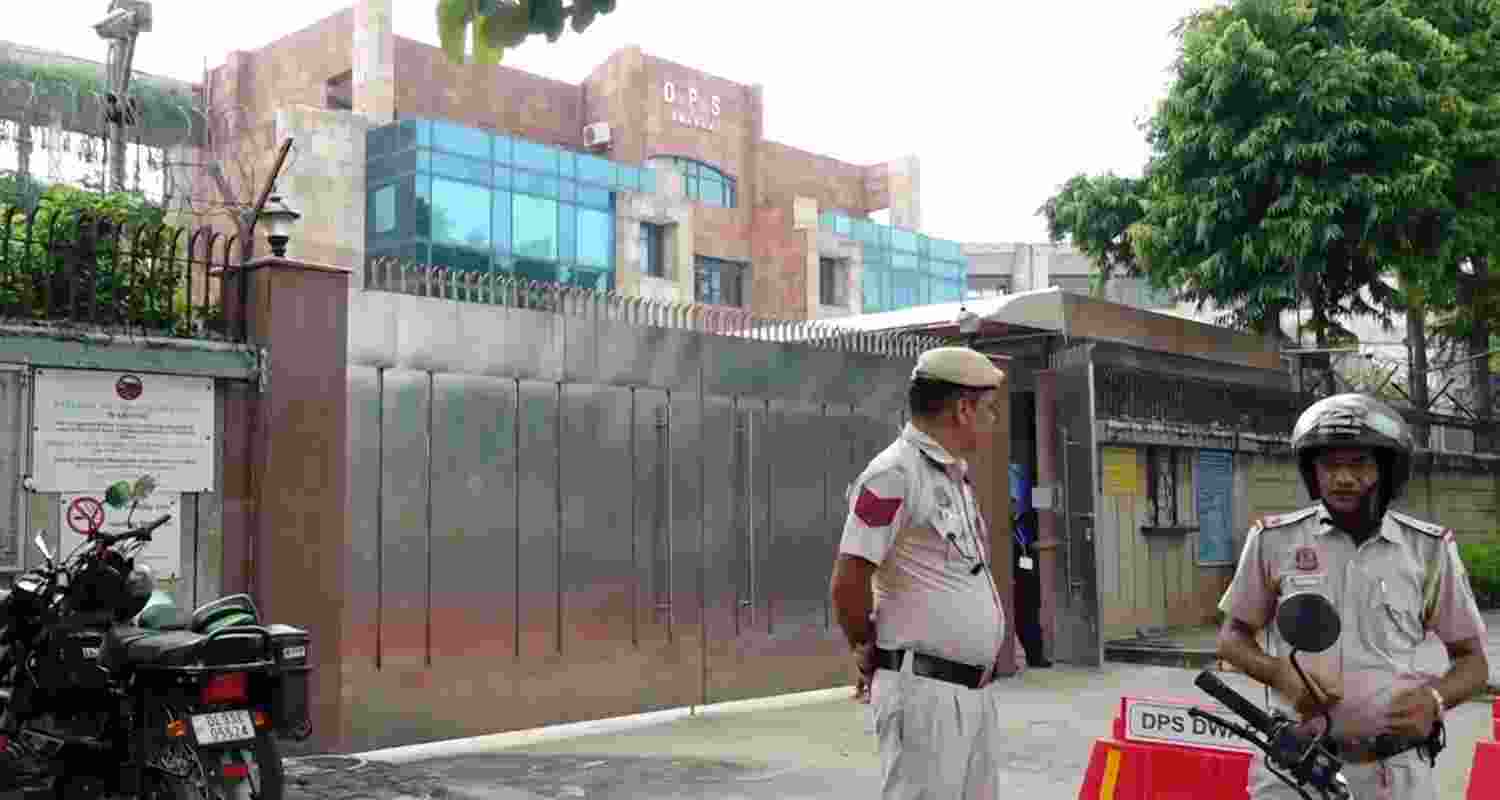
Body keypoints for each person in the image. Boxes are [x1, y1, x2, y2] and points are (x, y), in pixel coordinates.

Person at [1216, 393, 1490, 799]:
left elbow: (1473, 662)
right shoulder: (1273, 541)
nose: (1342, 478)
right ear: (1313, 470)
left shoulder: (1428, 550)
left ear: (1386, 468)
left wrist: (1434, 700)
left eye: (1359, 463)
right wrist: (1279, 674)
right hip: (1295, 771)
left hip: (1394, 775)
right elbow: (1231, 638)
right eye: (1329, 464)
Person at [829, 345, 1023, 799]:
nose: (992, 421)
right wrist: (866, 648)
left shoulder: (953, 477)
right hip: (925, 694)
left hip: (970, 693)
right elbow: (849, 579)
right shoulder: (894, 474)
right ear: (962, 409)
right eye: (988, 410)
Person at [1010, 462, 1051, 668]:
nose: (1014, 506)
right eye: (1011, 503)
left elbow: (1030, 545)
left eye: (1015, 502)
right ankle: (1025, 656)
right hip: (1016, 579)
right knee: (1020, 619)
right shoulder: (1008, 528)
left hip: (1029, 577)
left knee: (1032, 618)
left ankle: (1036, 656)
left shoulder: (1025, 523)